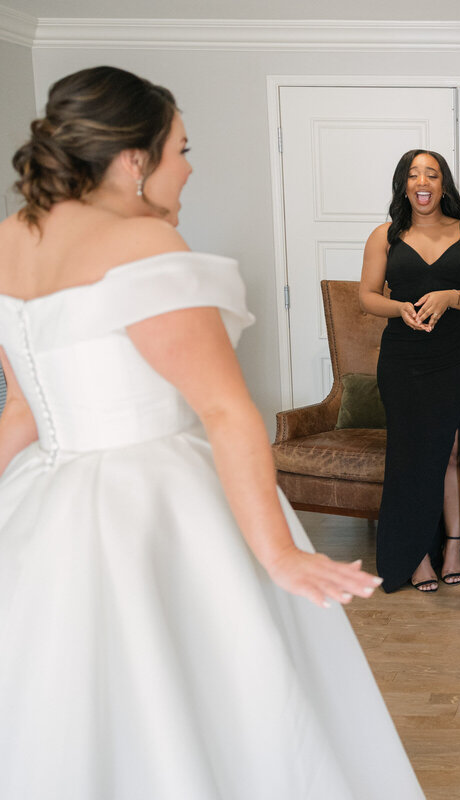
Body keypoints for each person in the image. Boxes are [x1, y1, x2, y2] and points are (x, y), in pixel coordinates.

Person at [0, 66, 423, 798]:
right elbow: (228, 412)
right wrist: (281, 553)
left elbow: (23, 411)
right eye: (181, 150)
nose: (189, 170)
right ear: (134, 160)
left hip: (46, 505)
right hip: (156, 504)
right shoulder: (144, 251)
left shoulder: (10, 241)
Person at [360, 149, 460, 592]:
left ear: (444, 186)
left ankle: (454, 547)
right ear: (405, 184)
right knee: (409, 456)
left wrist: (450, 297)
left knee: (454, 453)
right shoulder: (385, 235)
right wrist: (400, 308)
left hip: (455, 358)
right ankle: (417, 552)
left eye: (433, 174)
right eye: (415, 174)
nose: (424, 182)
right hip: (402, 359)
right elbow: (366, 296)